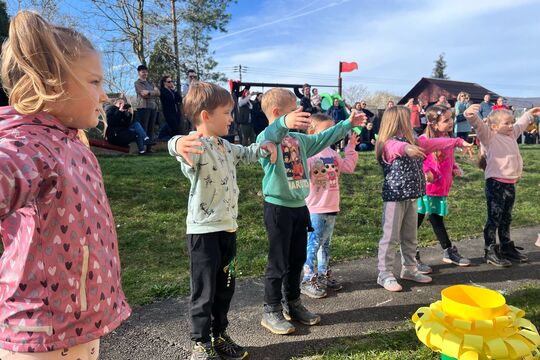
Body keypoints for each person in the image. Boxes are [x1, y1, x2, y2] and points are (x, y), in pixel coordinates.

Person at [0, 11, 131, 358]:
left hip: (74, 325)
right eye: (94, 82)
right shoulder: (29, 145)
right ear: (48, 83)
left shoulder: (70, 142)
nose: (104, 96)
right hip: (41, 331)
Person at [168, 82, 277, 360]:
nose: (232, 118)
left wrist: (264, 146)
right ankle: (200, 341)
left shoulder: (227, 147)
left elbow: (249, 154)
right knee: (204, 291)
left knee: (225, 288)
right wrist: (177, 143)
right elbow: (176, 148)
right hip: (203, 233)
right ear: (206, 116)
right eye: (227, 112)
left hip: (228, 230)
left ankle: (219, 335)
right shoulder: (195, 145)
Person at [256, 88, 367, 335]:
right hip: (277, 209)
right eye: (292, 109)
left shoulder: (299, 140)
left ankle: (292, 303)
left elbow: (324, 137)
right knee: (278, 262)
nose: (299, 112)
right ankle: (271, 310)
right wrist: (284, 122)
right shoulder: (267, 139)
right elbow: (271, 132)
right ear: (277, 113)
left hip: (300, 207)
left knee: (296, 260)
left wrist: (348, 123)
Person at [375, 106, 470, 292]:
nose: (412, 121)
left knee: (410, 237)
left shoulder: (415, 140)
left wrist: (458, 142)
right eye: (407, 118)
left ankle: (409, 269)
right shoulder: (388, 143)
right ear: (397, 121)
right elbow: (397, 148)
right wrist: (408, 148)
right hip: (395, 197)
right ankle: (384, 273)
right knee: (390, 238)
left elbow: (435, 143)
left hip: (412, 196)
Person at [464, 104, 540, 267]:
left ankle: (506, 247)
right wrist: (470, 115)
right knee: (494, 218)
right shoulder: (489, 137)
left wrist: (529, 113)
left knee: (506, 217)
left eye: (511, 122)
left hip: (510, 184)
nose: (511, 125)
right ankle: (490, 250)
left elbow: (521, 123)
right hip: (495, 184)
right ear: (494, 126)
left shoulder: (512, 135)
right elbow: (479, 125)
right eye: (506, 123)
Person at [301, 114, 359, 298]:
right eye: (326, 130)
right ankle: (307, 279)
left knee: (325, 244)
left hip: (332, 207)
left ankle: (322, 274)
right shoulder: (309, 154)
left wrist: (351, 148)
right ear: (312, 132)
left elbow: (348, 167)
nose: (331, 134)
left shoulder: (333, 154)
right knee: (313, 244)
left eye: (333, 130)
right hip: (315, 209)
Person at [414, 105, 472, 275]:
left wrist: (454, 166)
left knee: (436, 219)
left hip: (440, 189)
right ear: (433, 123)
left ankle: (448, 252)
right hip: (426, 190)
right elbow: (419, 160)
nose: (451, 123)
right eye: (446, 120)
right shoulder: (424, 139)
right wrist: (426, 172)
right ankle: (412, 256)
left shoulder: (447, 138)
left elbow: (448, 158)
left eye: (451, 119)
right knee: (415, 222)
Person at [134, 64, 160, 152]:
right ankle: (142, 149)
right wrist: (153, 92)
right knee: (143, 128)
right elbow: (143, 94)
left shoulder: (151, 83)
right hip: (143, 108)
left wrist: (149, 92)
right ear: (139, 73)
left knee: (151, 128)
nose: (145, 73)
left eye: (146, 72)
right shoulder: (137, 83)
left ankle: (149, 149)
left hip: (153, 107)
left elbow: (158, 93)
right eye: (143, 72)